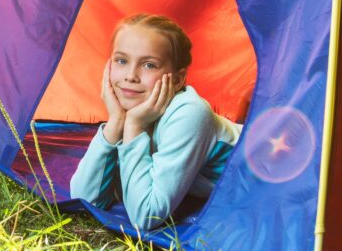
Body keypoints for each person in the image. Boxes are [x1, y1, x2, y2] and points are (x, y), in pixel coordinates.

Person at [69, 13, 242, 231]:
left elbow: (146, 217)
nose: (131, 76)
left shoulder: (189, 113)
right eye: (121, 61)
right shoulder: (132, 110)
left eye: (149, 65)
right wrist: (115, 122)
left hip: (274, 169)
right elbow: (84, 200)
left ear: (178, 79)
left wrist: (134, 127)